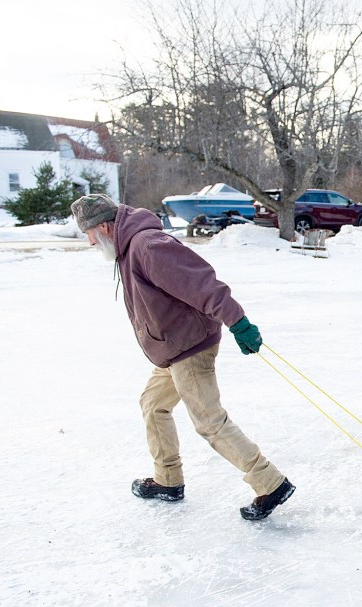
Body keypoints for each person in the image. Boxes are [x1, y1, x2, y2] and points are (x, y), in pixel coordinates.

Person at [71, 194, 294, 521]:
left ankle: (270, 482)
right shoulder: (126, 246)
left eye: (88, 234)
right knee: (153, 404)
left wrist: (237, 321)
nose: (90, 242)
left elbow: (201, 282)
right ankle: (168, 480)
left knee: (209, 422)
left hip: (189, 346)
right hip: (172, 347)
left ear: (103, 226)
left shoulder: (147, 245)